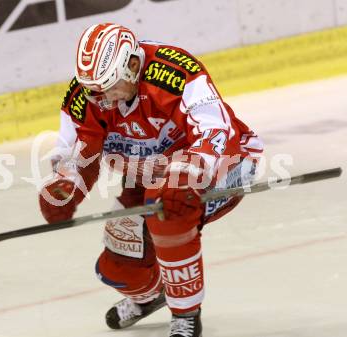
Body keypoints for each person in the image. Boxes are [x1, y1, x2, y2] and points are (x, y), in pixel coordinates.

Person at [39, 23, 263, 337]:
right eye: (93, 90)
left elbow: (214, 131)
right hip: (150, 177)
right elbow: (78, 154)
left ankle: (185, 314)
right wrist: (64, 188)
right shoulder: (88, 95)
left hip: (225, 162)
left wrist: (189, 175)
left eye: (108, 87)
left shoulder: (175, 71)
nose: (101, 100)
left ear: (132, 66)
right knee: (117, 268)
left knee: (166, 211)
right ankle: (155, 293)